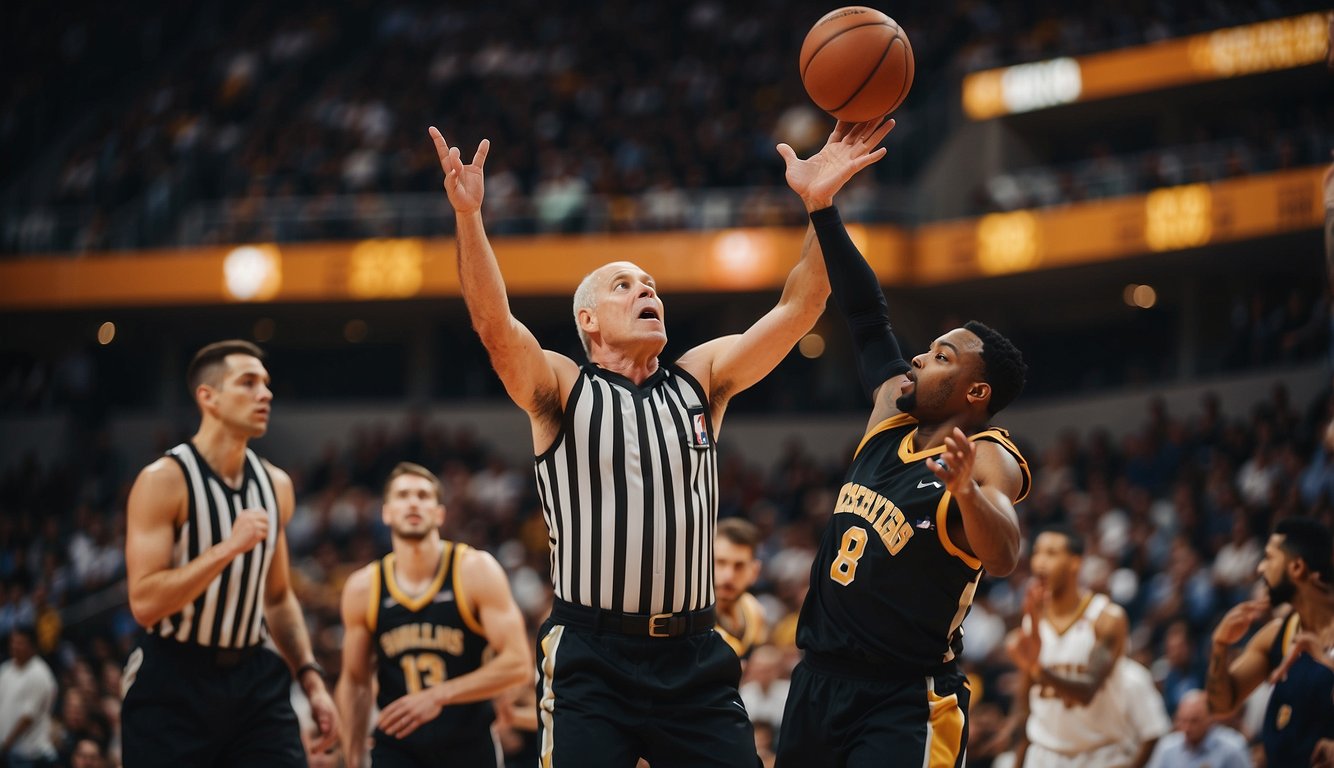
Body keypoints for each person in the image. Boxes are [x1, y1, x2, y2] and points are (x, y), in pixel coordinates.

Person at [427, 117, 892, 767]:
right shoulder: (563, 386)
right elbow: (494, 326)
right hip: (593, 659)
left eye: (651, 285)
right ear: (587, 321)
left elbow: (799, 310)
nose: (646, 290)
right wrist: (469, 218)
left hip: (694, 658)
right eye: (625, 285)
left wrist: (820, 206)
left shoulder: (700, 379)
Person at [771, 119, 1031, 768]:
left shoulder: (990, 454)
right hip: (816, 684)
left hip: (903, 699)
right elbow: (866, 317)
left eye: (942, 357)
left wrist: (967, 489)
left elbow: (1002, 553)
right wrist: (823, 207)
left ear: (975, 395)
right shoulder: (892, 414)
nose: (919, 358)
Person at [121, 340, 339, 766]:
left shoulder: (276, 485)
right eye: (249, 383)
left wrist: (310, 677)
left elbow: (277, 598)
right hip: (174, 678)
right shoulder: (164, 481)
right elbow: (145, 603)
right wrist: (226, 550)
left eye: (267, 384)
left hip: (254, 677)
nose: (266, 393)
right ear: (209, 398)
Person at [335, 461, 530, 768]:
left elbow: (518, 663)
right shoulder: (364, 587)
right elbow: (355, 681)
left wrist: (437, 696)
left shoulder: (475, 570)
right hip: (397, 748)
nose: (413, 502)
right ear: (386, 512)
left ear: (440, 513)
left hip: (468, 744)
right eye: (403, 495)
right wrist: (353, 753)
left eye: (424, 496)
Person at [1205, 518, 1334, 768]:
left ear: (1297, 568)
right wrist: (1220, 645)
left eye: (1269, 558)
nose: (1260, 568)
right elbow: (1220, 705)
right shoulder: (1278, 633)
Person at [1005, 527, 1139, 768]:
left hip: (1099, 756)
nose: (1041, 562)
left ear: (1075, 563)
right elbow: (1026, 700)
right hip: (1043, 754)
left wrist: (1038, 669)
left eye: (1052, 553)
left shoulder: (1106, 618)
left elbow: (1086, 691)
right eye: (1037, 553)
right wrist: (1018, 757)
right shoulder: (1032, 620)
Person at [1144, 689, 1250, 768]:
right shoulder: (1167, 747)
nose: (1187, 728)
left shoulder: (1232, 748)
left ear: (1210, 719)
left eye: (1194, 721)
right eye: (1182, 721)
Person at [0, 626, 58, 768]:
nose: (15, 646)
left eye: (20, 643)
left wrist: (6, 744)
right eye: (13, 641)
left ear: (32, 646)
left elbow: (28, 716)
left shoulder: (40, 674)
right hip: (7, 749)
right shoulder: (6, 669)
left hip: (30, 754)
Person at [714, 517, 768, 660]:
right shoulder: (689, 616)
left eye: (739, 566)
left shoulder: (754, 611)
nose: (728, 576)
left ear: (754, 572)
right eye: (720, 562)